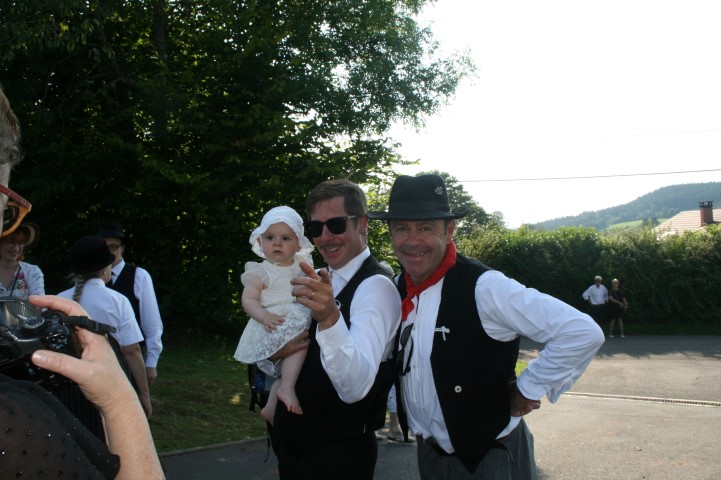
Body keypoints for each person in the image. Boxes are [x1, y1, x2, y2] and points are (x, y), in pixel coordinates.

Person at [368, 174, 605, 479]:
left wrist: (527, 388)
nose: (412, 241)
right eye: (401, 228)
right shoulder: (398, 287)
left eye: (425, 228)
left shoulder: (485, 287)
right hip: (429, 455)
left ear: (450, 230)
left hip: (488, 458)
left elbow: (581, 332)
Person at [0, 85, 164, 479]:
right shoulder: (20, 425)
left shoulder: (63, 294)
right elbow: (137, 342)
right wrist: (131, 395)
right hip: (94, 388)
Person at [268, 179, 401, 480]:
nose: (325, 237)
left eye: (336, 225)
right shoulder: (317, 277)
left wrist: (329, 317)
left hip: (337, 456)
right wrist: (277, 354)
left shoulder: (376, 288)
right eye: (316, 228)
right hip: (296, 447)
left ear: (362, 223)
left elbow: (354, 387)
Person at [233, 205, 315, 423]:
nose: (277, 243)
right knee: (299, 349)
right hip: (273, 323)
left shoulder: (303, 265)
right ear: (260, 242)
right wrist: (264, 317)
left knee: (295, 364)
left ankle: (271, 406)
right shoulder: (260, 271)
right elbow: (248, 299)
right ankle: (286, 388)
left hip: (295, 318)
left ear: (298, 244)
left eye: (285, 238)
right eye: (270, 237)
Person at [58, 236, 152, 419]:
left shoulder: (58, 299)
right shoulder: (117, 301)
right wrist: (143, 392)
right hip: (110, 382)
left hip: (68, 386)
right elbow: (132, 350)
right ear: (104, 269)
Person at [97, 220, 164, 386]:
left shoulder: (139, 276)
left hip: (129, 358)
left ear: (122, 248)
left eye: (113, 247)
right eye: (104, 247)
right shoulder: (90, 278)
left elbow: (152, 322)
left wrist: (151, 362)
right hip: (97, 357)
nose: (108, 252)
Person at [0, 222, 44, 300]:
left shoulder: (32, 272)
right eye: (11, 242)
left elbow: (39, 303)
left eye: (20, 243)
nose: (16, 248)